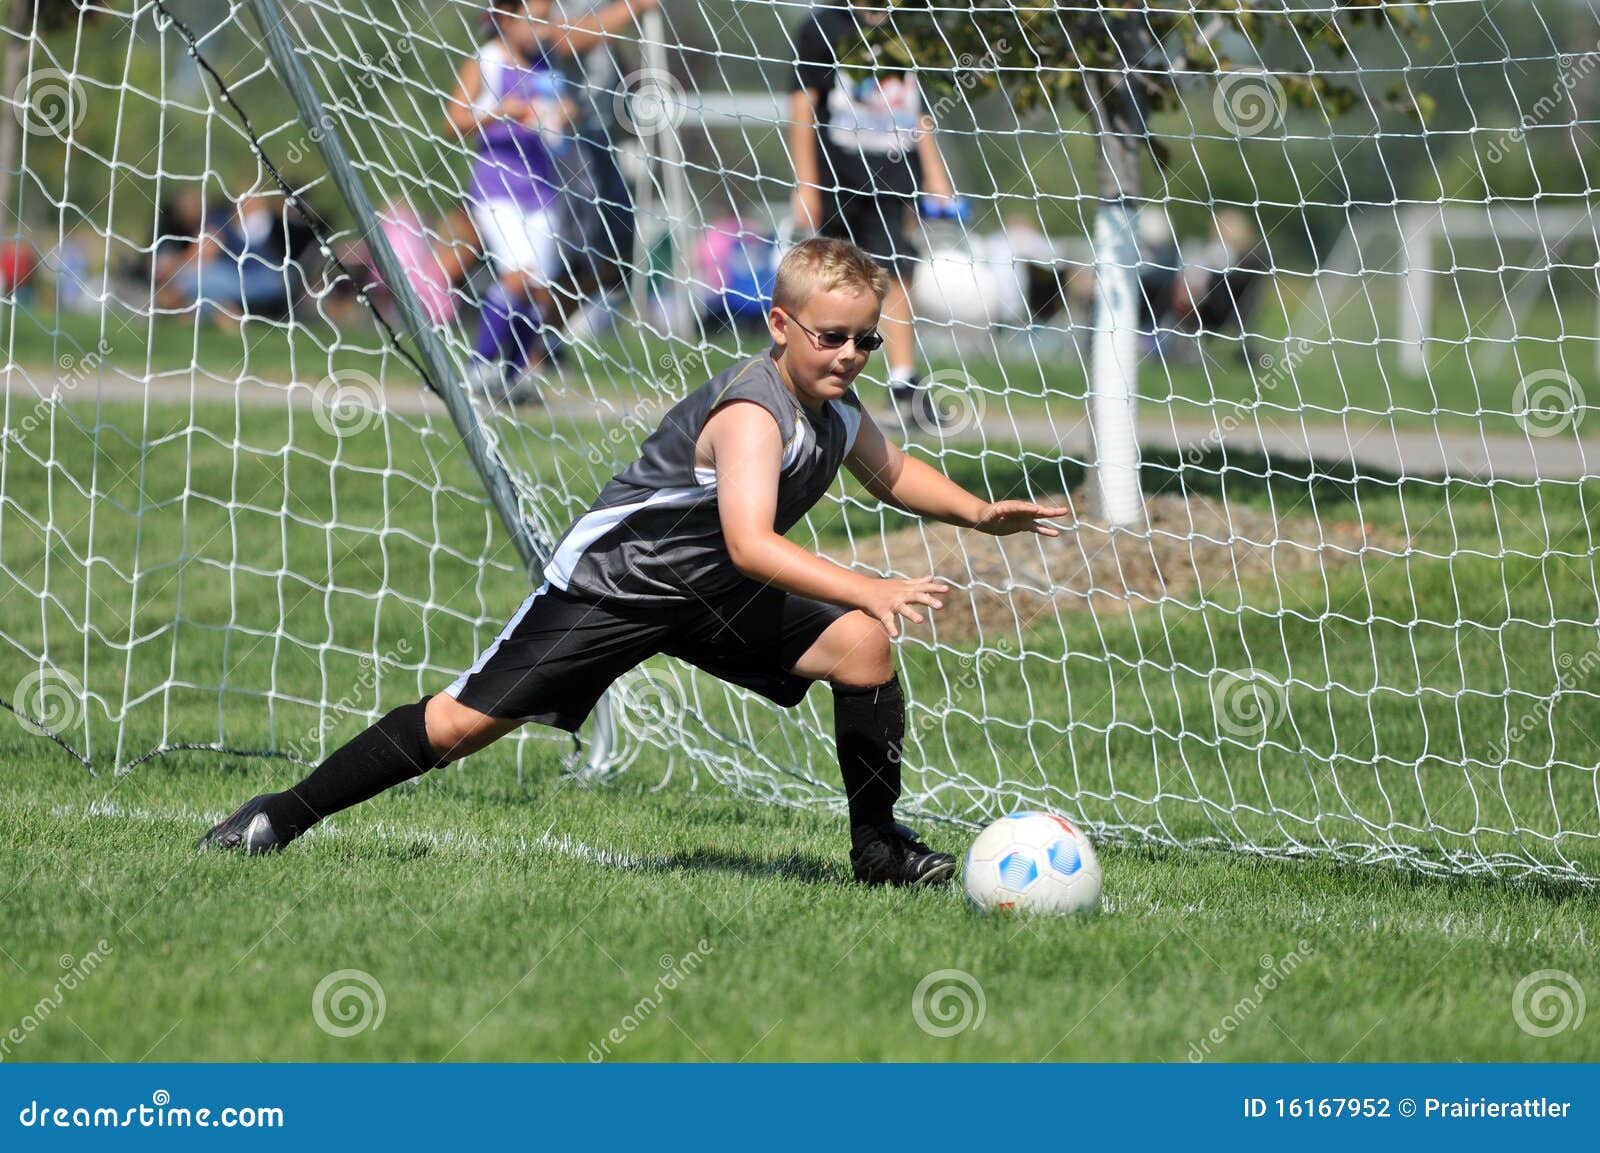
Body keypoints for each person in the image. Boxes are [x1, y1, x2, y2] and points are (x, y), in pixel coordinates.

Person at [197, 238, 1073, 886]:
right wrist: (868, 585)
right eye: (832, 337)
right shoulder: (753, 412)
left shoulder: (836, 407)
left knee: (861, 649)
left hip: (714, 597)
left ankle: (878, 850)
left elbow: (890, 470)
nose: (849, 355)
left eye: (866, 342)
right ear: (780, 325)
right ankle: (278, 816)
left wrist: (978, 511)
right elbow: (752, 541)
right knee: (462, 727)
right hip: (615, 588)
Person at [444, 0, 657, 405]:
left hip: (542, 189)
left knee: (538, 287)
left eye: (547, 19)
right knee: (516, 278)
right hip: (498, 187)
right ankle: (479, 366)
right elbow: (454, 121)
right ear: (506, 18)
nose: (544, 28)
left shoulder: (546, 65)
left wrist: (564, 113)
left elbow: (561, 115)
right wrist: (500, 112)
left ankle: (516, 375)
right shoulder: (488, 60)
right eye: (536, 19)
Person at [789, 0, 965, 434]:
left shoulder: (911, 27)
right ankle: (805, 379)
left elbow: (920, 109)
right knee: (824, 279)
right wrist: (806, 182)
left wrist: (935, 172)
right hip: (837, 174)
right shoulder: (824, 26)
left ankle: (903, 382)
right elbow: (802, 106)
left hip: (891, 174)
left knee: (897, 273)